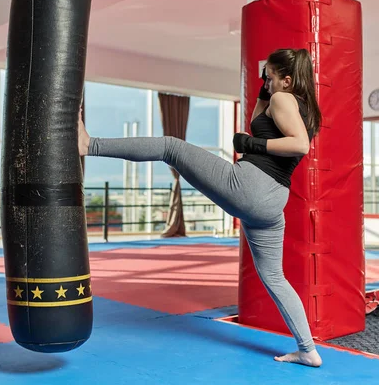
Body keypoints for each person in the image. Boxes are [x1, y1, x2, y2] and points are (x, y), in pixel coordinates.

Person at [78, 48, 323, 368]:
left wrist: (253, 145)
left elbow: (299, 144)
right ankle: (308, 350)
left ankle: (89, 145)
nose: (266, 80)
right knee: (275, 278)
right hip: (273, 202)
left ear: (287, 79)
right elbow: (258, 123)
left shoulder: (284, 99)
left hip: (251, 185)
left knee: (171, 147)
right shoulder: (297, 104)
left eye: (271, 75)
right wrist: (264, 94)